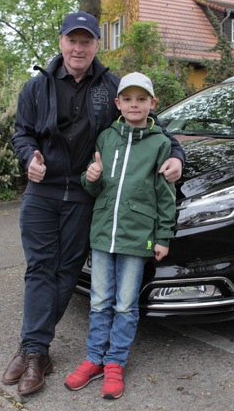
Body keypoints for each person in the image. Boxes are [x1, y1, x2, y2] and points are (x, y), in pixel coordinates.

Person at [3, 12, 184, 396]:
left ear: (96, 46)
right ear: (61, 42)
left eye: (86, 41)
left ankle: (36, 349)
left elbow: (155, 128)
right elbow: (22, 133)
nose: (78, 48)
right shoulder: (37, 87)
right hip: (44, 191)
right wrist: (29, 156)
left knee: (66, 271)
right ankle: (35, 349)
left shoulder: (113, 87)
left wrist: (177, 157)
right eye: (72, 40)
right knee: (40, 268)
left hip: (86, 194)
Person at [64, 72, 176, 400]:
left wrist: (163, 236)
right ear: (118, 104)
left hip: (137, 237)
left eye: (141, 99)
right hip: (102, 234)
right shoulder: (106, 138)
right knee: (99, 302)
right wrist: (91, 175)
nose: (134, 104)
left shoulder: (160, 144)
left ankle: (115, 362)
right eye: (127, 99)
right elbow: (92, 184)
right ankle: (94, 359)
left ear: (152, 104)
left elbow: (164, 195)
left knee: (126, 305)